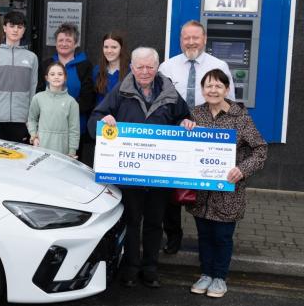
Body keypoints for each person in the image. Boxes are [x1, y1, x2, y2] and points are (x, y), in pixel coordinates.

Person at [89, 47, 192, 288]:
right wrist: (103, 121)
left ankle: (150, 269)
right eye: (140, 67)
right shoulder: (121, 92)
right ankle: (131, 268)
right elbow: (95, 119)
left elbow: (183, 117)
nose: (145, 72)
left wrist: (186, 122)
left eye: (150, 67)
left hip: (159, 176)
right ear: (132, 68)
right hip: (129, 174)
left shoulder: (169, 92)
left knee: (155, 223)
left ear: (157, 68)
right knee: (132, 222)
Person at [187, 69, 266, 298]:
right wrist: (185, 128)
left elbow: (261, 149)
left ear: (227, 89)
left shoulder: (240, 118)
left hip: (229, 191)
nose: (213, 90)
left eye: (218, 86)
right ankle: (205, 274)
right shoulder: (196, 114)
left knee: (221, 237)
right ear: (203, 90)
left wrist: (242, 170)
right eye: (208, 86)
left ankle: (219, 277)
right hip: (202, 193)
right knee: (204, 236)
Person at [158, 20, 234, 255]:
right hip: (176, 136)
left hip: (206, 138)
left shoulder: (218, 65)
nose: (190, 42)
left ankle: (207, 240)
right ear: (180, 40)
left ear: (204, 38)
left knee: (205, 191)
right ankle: (173, 235)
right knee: (170, 191)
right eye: (186, 38)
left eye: (195, 37)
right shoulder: (167, 67)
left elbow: (229, 100)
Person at [38, 23, 95, 166]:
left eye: (68, 40)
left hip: (76, 128)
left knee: (73, 168)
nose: (64, 44)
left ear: (75, 44)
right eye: (61, 40)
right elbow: (39, 93)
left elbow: (88, 97)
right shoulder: (46, 64)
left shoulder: (85, 65)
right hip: (49, 127)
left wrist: (66, 113)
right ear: (56, 43)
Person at [0, 11, 39, 143]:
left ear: (24, 30)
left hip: (21, 121)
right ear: (4, 28)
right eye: (12, 26)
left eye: (20, 27)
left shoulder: (32, 58)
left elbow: (32, 93)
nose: (15, 30)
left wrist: (31, 121)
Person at [27, 61, 80, 157]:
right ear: (47, 78)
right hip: (41, 146)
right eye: (52, 74)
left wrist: (72, 151)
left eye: (60, 74)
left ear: (65, 77)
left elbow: (74, 130)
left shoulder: (71, 102)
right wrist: (34, 136)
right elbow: (31, 119)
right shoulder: (38, 98)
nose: (56, 77)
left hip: (62, 149)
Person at [93, 32, 129, 105]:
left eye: (114, 47)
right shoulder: (97, 70)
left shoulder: (130, 71)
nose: (109, 51)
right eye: (106, 47)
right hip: (102, 114)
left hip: (123, 115)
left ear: (121, 48)